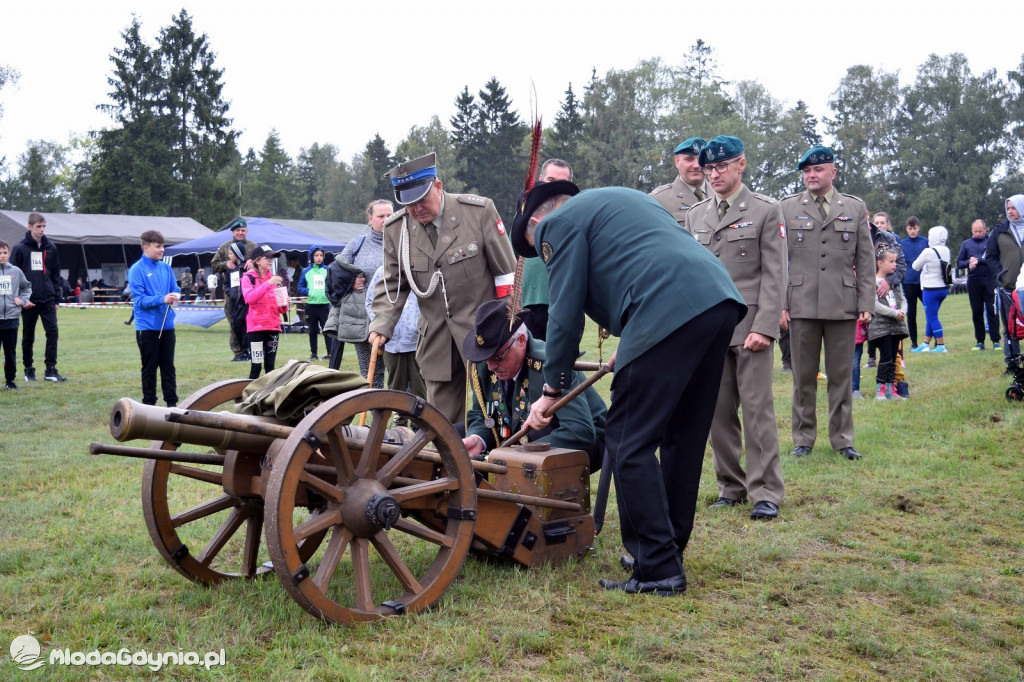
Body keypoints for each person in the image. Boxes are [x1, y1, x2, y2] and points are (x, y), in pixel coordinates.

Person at [514, 180, 745, 596]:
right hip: (717, 299)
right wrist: (637, 339)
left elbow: (565, 314)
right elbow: (642, 264)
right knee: (683, 437)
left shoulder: (556, 224)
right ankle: (666, 549)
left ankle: (657, 567)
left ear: (535, 222)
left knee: (625, 440)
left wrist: (551, 390)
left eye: (536, 250)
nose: (542, 257)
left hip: (665, 307)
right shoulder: (626, 198)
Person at [369, 152, 518, 424]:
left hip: (483, 333)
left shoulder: (478, 212)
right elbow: (393, 284)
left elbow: (507, 276)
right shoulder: (396, 229)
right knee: (442, 424)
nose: (416, 210)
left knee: (493, 414)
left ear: (438, 186)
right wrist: (381, 323)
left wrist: (508, 328)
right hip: (435, 337)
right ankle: (449, 466)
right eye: (409, 204)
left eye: (422, 200)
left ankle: (489, 462)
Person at [683, 135, 786, 521]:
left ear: (741, 165)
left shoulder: (765, 210)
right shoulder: (696, 215)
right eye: (708, 168)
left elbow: (776, 274)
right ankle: (731, 485)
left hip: (750, 326)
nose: (714, 174)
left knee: (758, 411)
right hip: (710, 329)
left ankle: (766, 492)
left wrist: (765, 326)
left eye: (721, 166)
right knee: (717, 412)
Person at [779, 146, 874, 461]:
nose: (811, 176)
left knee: (841, 376)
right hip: (801, 303)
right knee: (803, 376)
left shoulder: (855, 208)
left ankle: (843, 439)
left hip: (842, 303)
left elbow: (865, 258)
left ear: (832, 172)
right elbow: (779, 260)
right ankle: (803, 439)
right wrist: (781, 303)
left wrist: (867, 302)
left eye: (817, 170)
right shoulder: (787, 207)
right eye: (806, 171)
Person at [462, 298, 606, 472]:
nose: (491, 367)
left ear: (522, 340)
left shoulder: (550, 364)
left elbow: (580, 432)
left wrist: (515, 455)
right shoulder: (482, 365)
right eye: (486, 358)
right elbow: (481, 414)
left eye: (498, 356)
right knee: (456, 434)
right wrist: (478, 438)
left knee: (539, 433)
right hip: (514, 437)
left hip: (588, 441)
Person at [520, 159, 575, 340]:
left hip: (562, 303)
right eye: (551, 180)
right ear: (541, 179)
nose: (556, 187)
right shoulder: (523, 213)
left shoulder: (577, 218)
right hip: (526, 304)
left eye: (563, 182)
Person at [9, 212, 67, 382]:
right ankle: (28, 369)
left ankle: (51, 370)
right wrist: (21, 299)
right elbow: (14, 276)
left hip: (48, 298)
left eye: (44, 226)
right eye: (38, 226)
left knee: (53, 332)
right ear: (30, 227)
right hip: (29, 300)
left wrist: (57, 298)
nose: (42, 230)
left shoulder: (51, 248)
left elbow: (56, 274)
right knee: (28, 335)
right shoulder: (20, 248)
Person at [366, 265, 425, 427]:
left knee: (419, 387)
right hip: (392, 341)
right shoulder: (382, 271)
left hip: (417, 340)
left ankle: (420, 422)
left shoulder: (419, 269)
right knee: (395, 387)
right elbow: (371, 301)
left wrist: (418, 324)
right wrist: (380, 326)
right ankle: (399, 421)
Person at [340, 200, 391, 387]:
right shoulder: (357, 244)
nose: (386, 220)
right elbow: (335, 273)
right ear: (370, 219)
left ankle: (401, 416)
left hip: (399, 321)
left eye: (390, 215)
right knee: (370, 377)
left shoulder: (407, 242)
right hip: (365, 321)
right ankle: (375, 414)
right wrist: (350, 281)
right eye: (381, 216)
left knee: (402, 376)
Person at [128, 230, 180, 407]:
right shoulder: (136, 270)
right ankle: (149, 405)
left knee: (168, 367)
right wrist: (162, 299)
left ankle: (172, 404)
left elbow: (175, 288)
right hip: (147, 328)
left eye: (163, 246)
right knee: (149, 368)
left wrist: (176, 295)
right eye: (158, 246)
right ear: (146, 248)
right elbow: (140, 300)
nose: (162, 250)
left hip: (167, 326)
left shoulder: (166, 267)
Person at [985, 195, 1024, 373]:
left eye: (1013, 208)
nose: (1010, 211)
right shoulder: (1000, 230)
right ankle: (1012, 363)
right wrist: (999, 274)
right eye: (1008, 208)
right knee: (1010, 327)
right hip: (1008, 287)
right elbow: (990, 256)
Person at [210, 218, 257, 361]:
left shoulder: (253, 246)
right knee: (233, 322)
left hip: (250, 293)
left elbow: (263, 261)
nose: (240, 233)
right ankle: (238, 352)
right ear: (232, 232)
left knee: (249, 322)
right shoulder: (225, 247)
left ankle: (250, 351)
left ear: (247, 231)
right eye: (238, 230)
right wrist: (226, 263)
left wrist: (252, 261)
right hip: (232, 292)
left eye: (243, 230)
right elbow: (214, 265)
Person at [242, 244, 288, 379]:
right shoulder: (248, 278)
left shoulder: (275, 279)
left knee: (270, 367)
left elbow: (282, 308)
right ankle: (251, 397)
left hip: (273, 327)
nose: (270, 260)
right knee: (256, 366)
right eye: (267, 257)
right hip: (256, 329)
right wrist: (268, 284)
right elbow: (249, 298)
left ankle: (269, 397)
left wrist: (284, 301)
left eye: (272, 258)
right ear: (257, 261)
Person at [869, 246, 909, 400]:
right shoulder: (873, 282)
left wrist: (902, 312)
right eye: (891, 261)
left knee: (893, 358)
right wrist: (894, 313)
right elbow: (875, 305)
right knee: (885, 358)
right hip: (882, 327)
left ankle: (891, 390)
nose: (895, 265)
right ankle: (880, 389)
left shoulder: (895, 282)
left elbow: (903, 300)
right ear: (880, 263)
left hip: (896, 327)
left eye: (895, 261)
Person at [957, 219, 1000, 350]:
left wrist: (979, 261)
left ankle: (996, 341)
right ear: (971, 230)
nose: (977, 233)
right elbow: (959, 263)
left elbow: (996, 260)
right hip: (973, 281)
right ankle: (980, 341)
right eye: (975, 231)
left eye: (980, 231)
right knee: (977, 312)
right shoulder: (966, 244)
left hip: (989, 280)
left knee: (992, 311)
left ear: (985, 230)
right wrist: (968, 263)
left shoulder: (991, 242)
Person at [651, 136, 710, 227]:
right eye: (689, 159)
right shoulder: (659, 199)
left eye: (700, 159)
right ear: (677, 161)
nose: (696, 165)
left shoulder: (722, 194)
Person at [910, 226, 951, 353]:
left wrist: (924, 265)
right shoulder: (946, 250)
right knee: (931, 316)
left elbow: (915, 266)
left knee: (932, 317)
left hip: (931, 289)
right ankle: (926, 343)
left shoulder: (928, 251)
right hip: (943, 288)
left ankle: (941, 345)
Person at [0, 239, 32, 390]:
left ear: (9, 254)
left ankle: (10, 381)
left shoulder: (16, 271)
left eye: (4, 253)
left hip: (11, 318)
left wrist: (23, 299)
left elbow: (27, 287)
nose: (2, 255)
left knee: (10, 352)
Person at [297, 245, 332, 361]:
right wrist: (309, 291)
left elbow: (332, 286)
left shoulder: (327, 270)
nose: (319, 258)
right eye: (316, 255)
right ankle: (313, 353)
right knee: (312, 331)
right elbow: (300, 287)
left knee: (326, 330)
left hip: (324, 304)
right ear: (312, 256)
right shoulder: (306, 271)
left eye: (321, 255)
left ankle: (330, 353)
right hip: (311, 305)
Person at [900, 217, 928, 349]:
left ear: (919, 227)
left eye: (914, 228)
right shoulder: (902, 244)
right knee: (911, 313)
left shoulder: (925, 242)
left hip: (924, 281)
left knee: (929, 311)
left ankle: (932, 340)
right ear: (907, 229)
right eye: (910, 229)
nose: (912, 231)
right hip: (909, 282)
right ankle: (914, 342)